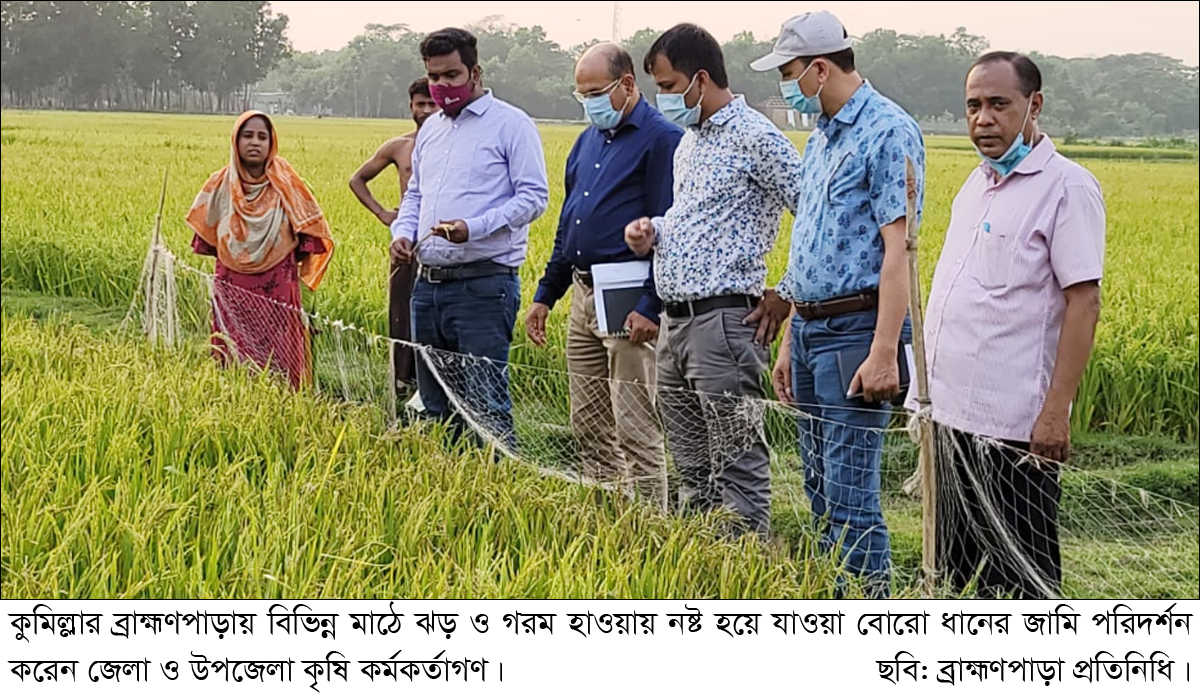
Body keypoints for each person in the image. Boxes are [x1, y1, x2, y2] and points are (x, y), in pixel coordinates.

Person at [752, 11, 924, 598]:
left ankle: (870, 613)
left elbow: (899, 250)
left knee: (851, 494)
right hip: (811, 330)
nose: (786, 83)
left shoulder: (887, 130)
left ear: (821, 69)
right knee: (820, 485)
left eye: (790, 71)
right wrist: (790, 338)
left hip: (857, 328)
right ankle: (832, 601)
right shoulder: (823, 136)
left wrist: (884, 353)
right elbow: (813, 246)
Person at [922, 52, 1105, 599]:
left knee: (1020, 576)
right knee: (953, 566)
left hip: (1015, 431)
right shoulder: (974, 186)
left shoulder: (1067, 188)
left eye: (999, 104)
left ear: (1034, 105)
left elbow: (1084, 303)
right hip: (951, 420)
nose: (983, 119)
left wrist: (1054, 415)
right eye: (973, 106)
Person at [625, 23, 801, 537]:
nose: (664, 98)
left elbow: (813, 215)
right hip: (675, 324)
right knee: (691, 464)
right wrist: (652, 231)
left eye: (668, 85)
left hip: (724, 322)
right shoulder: (690, 143)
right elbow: (692, 218)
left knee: (736, 459)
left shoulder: (757, 138)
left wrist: (784, 292)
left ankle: (745, 570)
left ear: (700, 79)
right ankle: (704, 564)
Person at [526, 43, 682, 511]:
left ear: (628, 84)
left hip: (629, 294)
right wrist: (545, 294)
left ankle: (650, 519)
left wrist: (649, 305)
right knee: (588, 419)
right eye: (582, 94)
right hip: (582, 289)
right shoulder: (587, 140)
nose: (589, 102)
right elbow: (570, 223)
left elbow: (667, 228)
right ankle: (608, 509)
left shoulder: (661, 140)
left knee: (634, 422)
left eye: (596, 92)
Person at [390, 27, 549, 449]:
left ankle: (497, 492)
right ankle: (450, 489)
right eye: (434, 78)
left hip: (483, 284)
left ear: (475, 72)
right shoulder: (431, 131)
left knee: (484, 403)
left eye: (451, 76)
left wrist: (472, 228)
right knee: (436, 402)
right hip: (428, 285)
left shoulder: (511, 125)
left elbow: (534, 198)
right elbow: (416, 194)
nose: (442, 88)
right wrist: (403, 233)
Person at [186, 110, 335, 390]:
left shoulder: (287, 183)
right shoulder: (219, 183)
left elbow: (309, 232)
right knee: (233, 345)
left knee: (279, 347)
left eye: (262, 137)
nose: (255, 142)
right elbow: (206, 236)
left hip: (278, 280)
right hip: (232, 282)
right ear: (235, 141)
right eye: (247, 135)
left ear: (271, 143)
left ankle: (283, 403)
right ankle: (233, 394)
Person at [349, 78, 439, 411]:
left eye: (432, 103)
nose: (427, 110)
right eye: (420, 104)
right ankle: (401, 377)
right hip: (406, 240)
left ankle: (430, 380)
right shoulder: (400, 147)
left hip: (442, 240)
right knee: (400, 307)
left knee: (433, 311)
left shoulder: (453, 146)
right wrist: (383, 214)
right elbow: (357, 179)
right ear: (411, 106)